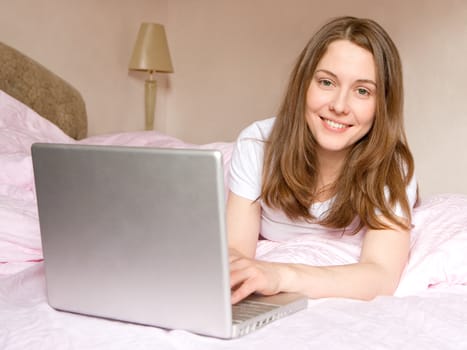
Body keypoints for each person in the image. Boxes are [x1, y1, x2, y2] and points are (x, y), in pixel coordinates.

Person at [227, 16, 418, 304]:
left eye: (362, 91)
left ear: (383, 104)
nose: (339, 106)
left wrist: (281, 276)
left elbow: (380, 275)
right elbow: (235, 252)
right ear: (304, 84)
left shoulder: (393, 166)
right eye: (327, 82)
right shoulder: (258, 144)